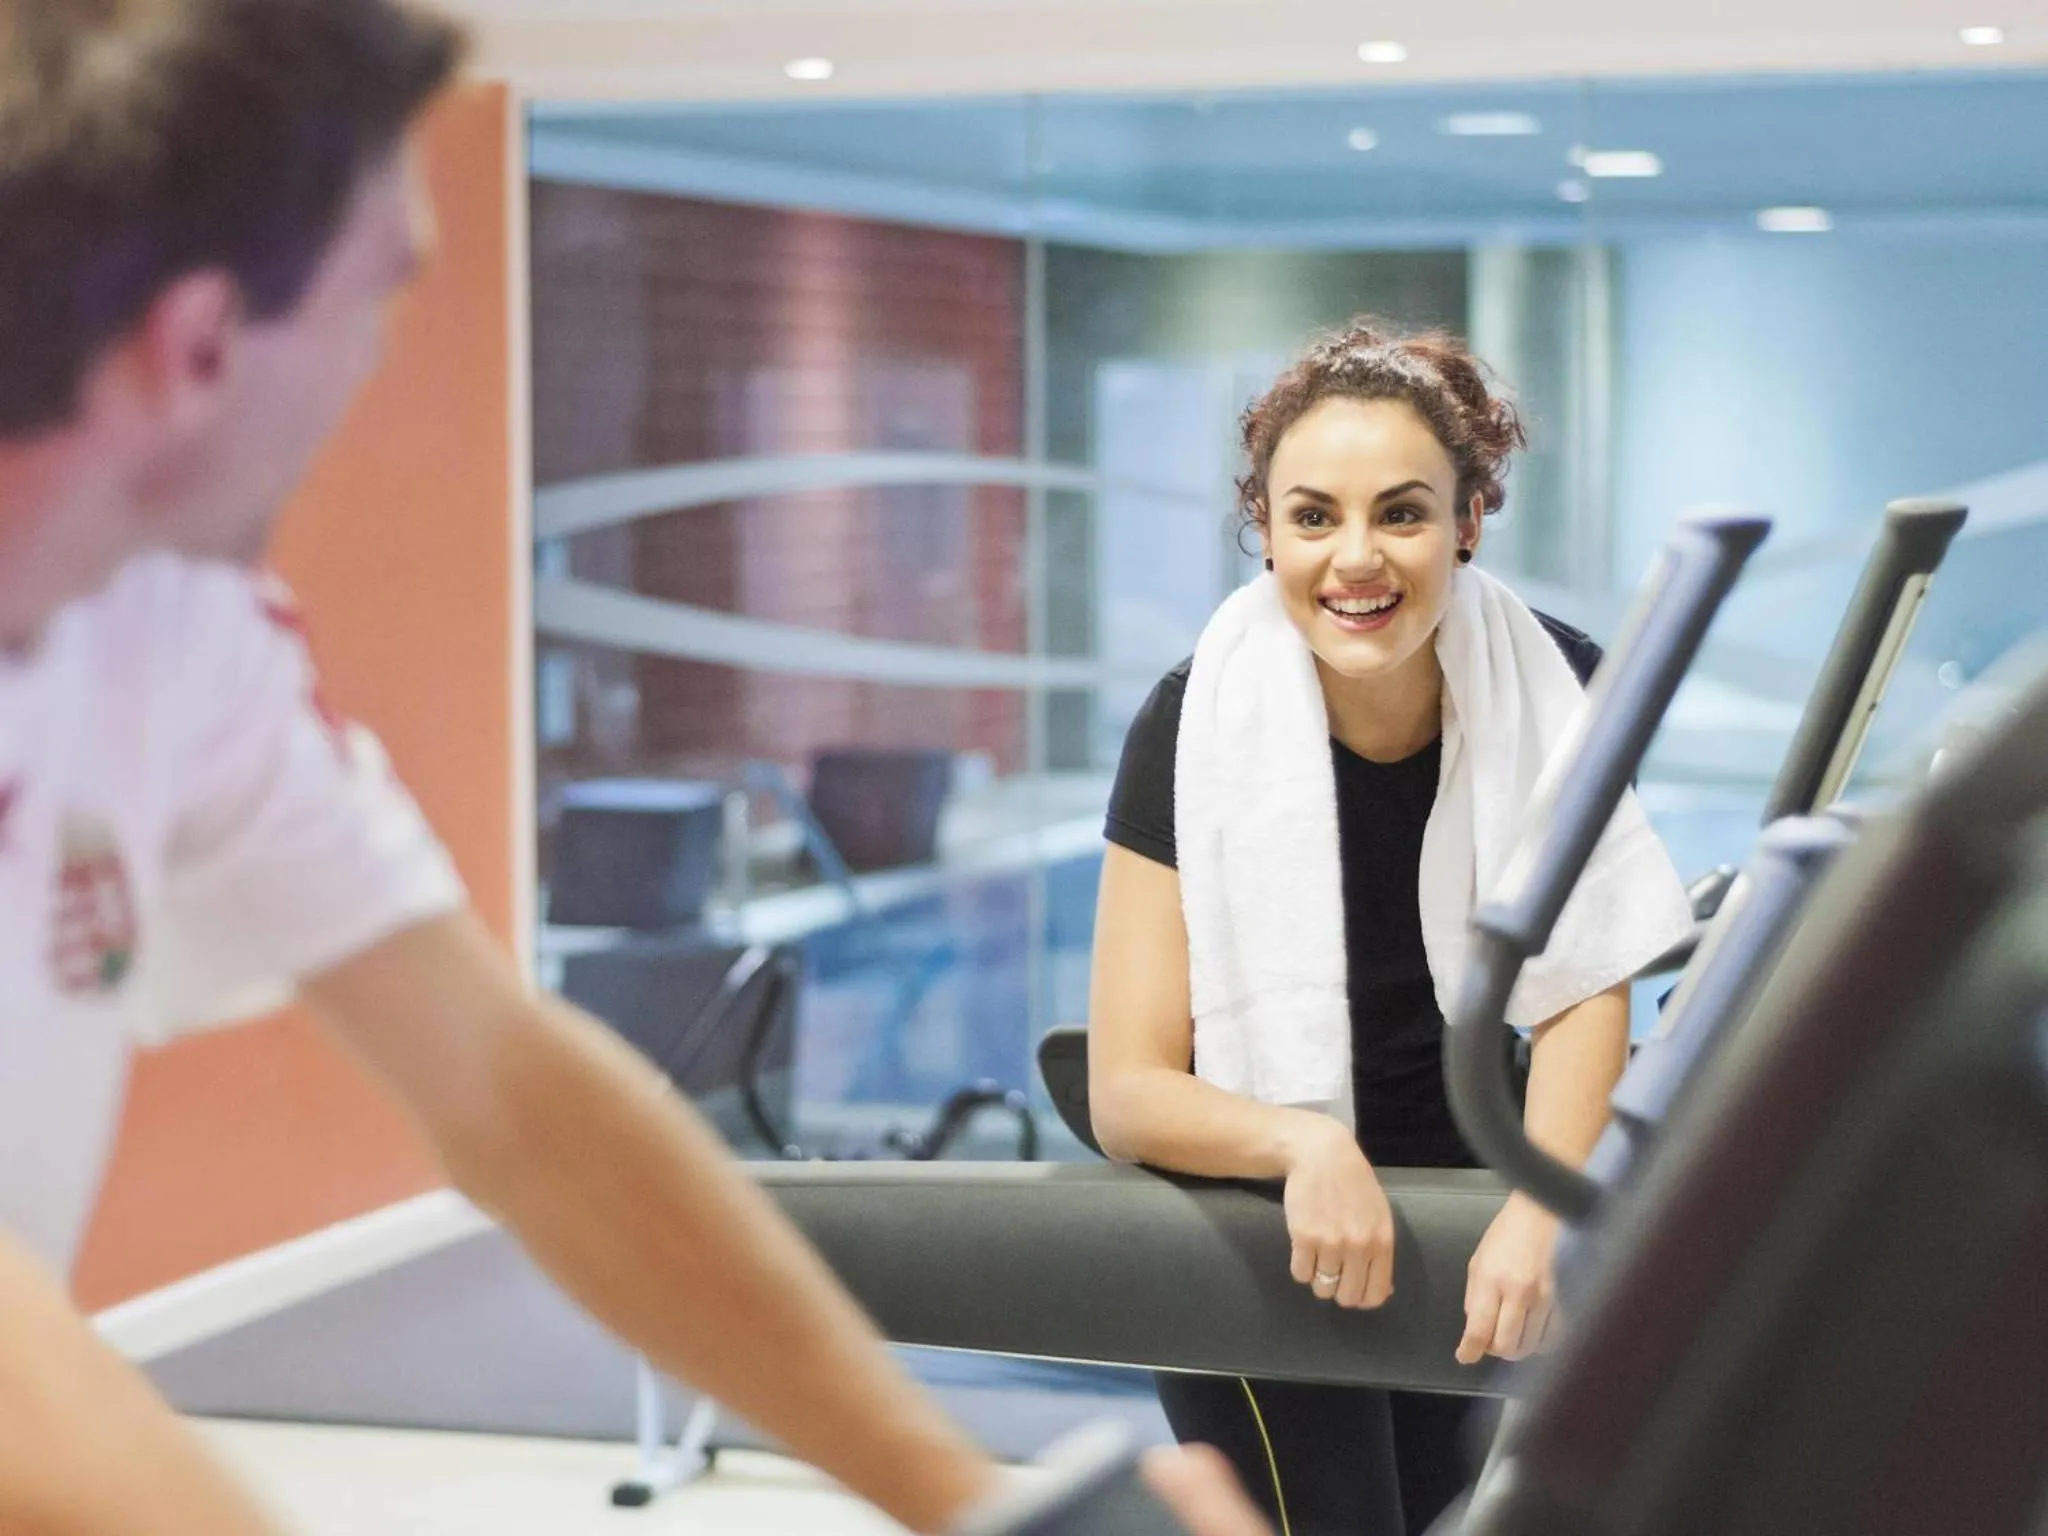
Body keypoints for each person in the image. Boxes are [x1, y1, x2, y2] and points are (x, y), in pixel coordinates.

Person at [0, 3, 1270, 1532]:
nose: (379, 364)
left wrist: (966, 1503)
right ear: (200, 346)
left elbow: (515, 1093)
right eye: (376, 300)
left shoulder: (164, 619)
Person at [1087, 320, 1694, 1535]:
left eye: (1401, 514)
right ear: (1265, 528)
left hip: (1462, 1208)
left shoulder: (1554, 687)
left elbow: (1582, 981)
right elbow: (1127, 1091)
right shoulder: (1190, 724)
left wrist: (1540, 1209)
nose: (1354, 558)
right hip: (1251, 1219)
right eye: (1312, 516)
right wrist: (1304, 1145)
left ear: (1467, 522)